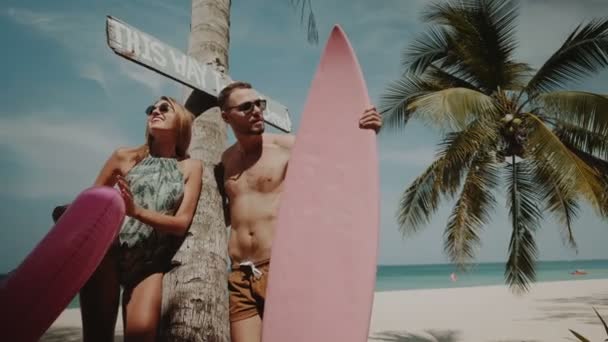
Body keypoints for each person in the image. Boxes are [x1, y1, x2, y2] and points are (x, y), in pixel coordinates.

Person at [216, 81, 382, 342]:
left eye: (260, 104)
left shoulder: (288, 146)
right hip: (239, 274)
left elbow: (338, 155)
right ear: (226, 116)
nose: (257, 111)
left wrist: (366, 129)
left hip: (280, 268)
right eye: (246, 106)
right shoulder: (226, 160)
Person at [78, 96, 202, 341]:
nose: (155, 111)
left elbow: (180, 224)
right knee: (96, 337)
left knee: (142, 335)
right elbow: (93, 202)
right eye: (151, 108)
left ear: (181, 121)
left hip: (149, 263)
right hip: (107, 254)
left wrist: (136, 212)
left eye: (164, 108)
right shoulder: (124, 156)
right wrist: (70, 214)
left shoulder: (190, 167)